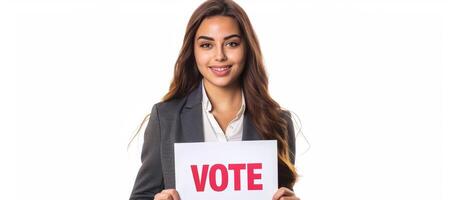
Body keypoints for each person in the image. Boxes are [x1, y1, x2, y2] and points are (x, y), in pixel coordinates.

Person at [129, 0, 301, 199]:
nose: (219, 55)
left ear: (247, 48)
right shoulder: (166, 118)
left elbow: (283, 192)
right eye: (207, 45)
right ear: (193, 51)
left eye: (231, 43)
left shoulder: (278, 122)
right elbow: (141, 196)